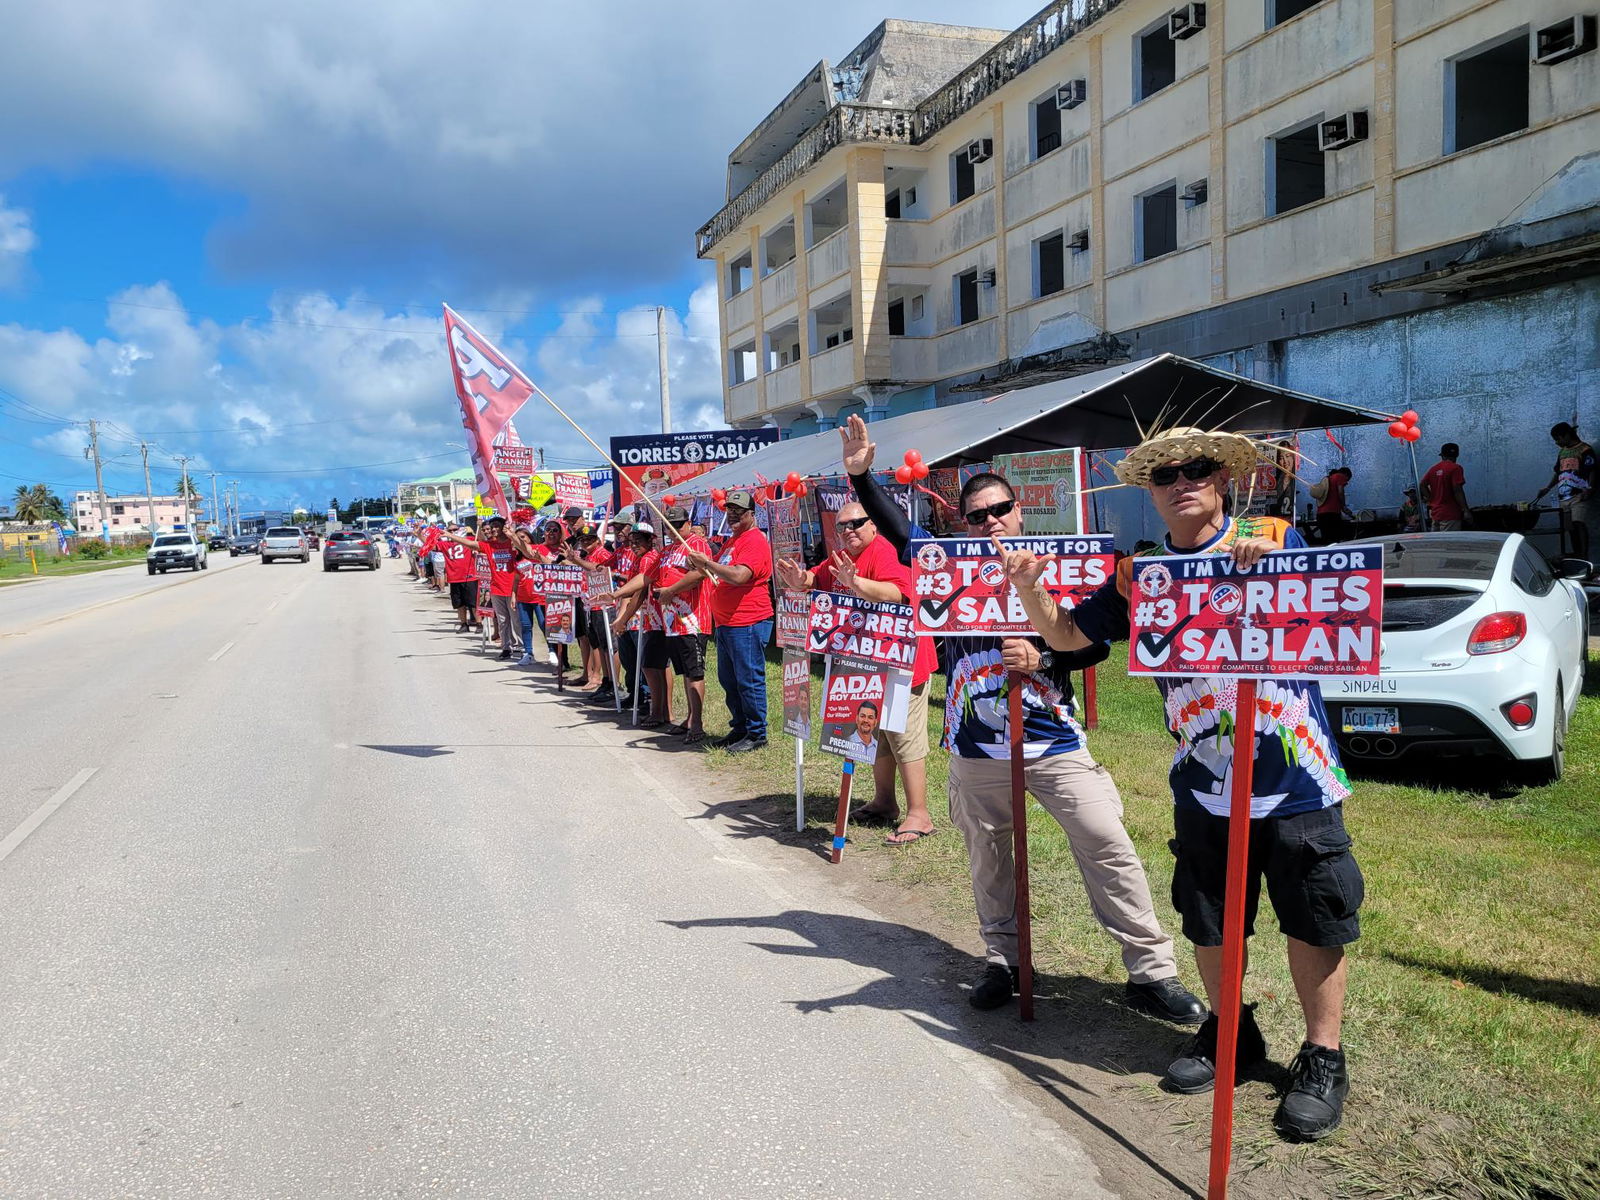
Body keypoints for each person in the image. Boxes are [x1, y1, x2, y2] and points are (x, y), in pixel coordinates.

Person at [1003, 423, 1365, 1142]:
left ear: (1222, 477)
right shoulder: (1140, 574)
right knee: (1208, 918)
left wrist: (1272, 566)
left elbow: (1328, 613)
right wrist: (1030, 591)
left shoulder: (1272, 537)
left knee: (1314, 913)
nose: (1182, 481)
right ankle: (1232, 1033)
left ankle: (1323, 1056)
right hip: (1203, 781)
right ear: (1150, 491)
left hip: (1298, 778)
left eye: (1197, 467)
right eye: (1165, 475)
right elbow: (1071, 640)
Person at [837, 414, 1203, 1025]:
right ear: (962, 522)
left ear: (1019, 508)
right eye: (976, 514)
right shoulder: (942, 565)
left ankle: (1151, 970)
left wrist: (1046, 652)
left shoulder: (1059, 563)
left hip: (1052, 738)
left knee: (1107, 842)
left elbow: (1095, 644)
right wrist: (861, 477)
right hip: (976, 744)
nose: (990, 522)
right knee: (989, 856)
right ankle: (1002, 961)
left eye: (999, 509)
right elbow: (901, 534)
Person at [775, 497, 940, 846]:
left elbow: (899, 592)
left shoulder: (884, 550)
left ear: (874, 524)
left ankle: (920, 814)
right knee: (876, 731)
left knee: (903, 735)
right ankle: (884, 802)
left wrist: (858, 585)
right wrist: (799, 578)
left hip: (902, 659)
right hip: (865, 660)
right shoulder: (842, 557)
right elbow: (816, 578)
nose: (849, 531)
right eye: (842, 526)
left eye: (857, 523)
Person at [685, 490, 773, 753]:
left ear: (751, 514)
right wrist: (701, 566)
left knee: (748, 678)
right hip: (727, 622)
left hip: (747, 620)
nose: (732, 514)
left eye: (739, 510)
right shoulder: (733, 540)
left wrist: (709, 563)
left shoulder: (754, 541)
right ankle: (741, 727)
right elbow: (720, 573)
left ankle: (757, 733)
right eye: (729, 509)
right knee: (729, 679)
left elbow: (738, 576)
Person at [654, 506, 713, 745]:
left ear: (688, 523)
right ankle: (689, 718)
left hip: (693, 620)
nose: (673, 530)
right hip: (672, 622)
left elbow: (700, 573)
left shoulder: (696, 544)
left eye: (678, 525)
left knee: (694, 672)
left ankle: (697, 724)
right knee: (685, 673)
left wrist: (670, 590)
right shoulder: (668, 549)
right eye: (669, 526)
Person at [609, 523, 677, 729]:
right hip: (653, 618)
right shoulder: (641, 559)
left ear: (650, 541)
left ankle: (659, 711)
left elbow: (639, 592)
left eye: (639, 541)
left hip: (656, 618)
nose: (634, 545)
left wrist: (623, 617)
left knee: (651, 665)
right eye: (632, 542)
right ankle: (664, 711)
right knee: (657, 665)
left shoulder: (648, 559)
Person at [439, 515, 520, 660]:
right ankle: (506, 648)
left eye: (496, 526)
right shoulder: (488, 545)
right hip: (496, 589)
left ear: (503, 527)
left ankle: (520, 647)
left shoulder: (512, 543)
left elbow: (524, 547)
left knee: (516, 620)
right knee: (502, 621)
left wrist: (513, 535)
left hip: (512, 589)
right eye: (492, 526)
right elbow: (470, 544)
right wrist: (450, 535)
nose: (494, 529)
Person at [1535, 422, 1597, 559]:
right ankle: (1577, 555)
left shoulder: (1585, 450)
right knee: (1570, 528)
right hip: (1564, 497)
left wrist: (1590, 488)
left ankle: (1584, 556)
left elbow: (1592, 470)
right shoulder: (1562, 452)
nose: (1557, 442)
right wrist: (1547, 488)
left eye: (1558, 439)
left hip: (1579, 496)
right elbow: (1558, 472)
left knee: (1578, 523)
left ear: (1567, 435)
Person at [439, 523, 481, 632]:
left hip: (470, 576)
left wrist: (479, 527)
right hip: (454, 578)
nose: (452, 532)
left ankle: (479, 623)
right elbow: (431, 545)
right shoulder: (445, 544)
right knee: (459, 604)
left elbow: (481, 539)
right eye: (450, 531)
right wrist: (419, 534)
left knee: (473, 603)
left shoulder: (469, 540)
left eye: (455, 530)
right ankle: (463, 624)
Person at [1420, 444, 1470, 531]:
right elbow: (1457, 490)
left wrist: (1431, 499)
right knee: (1449, 543)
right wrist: (1466, 510)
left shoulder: (1433, 469)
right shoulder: (1456, 468)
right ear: (1456, 455)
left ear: (1442, 456)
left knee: (1436, 543)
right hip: (1451, 515)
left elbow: (1422, 485)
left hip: (1436, 514)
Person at [1312, 467, 1354, 543]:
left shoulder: (1328, 479)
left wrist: (1343, 509)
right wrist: (1344, 506)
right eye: (1347, 480)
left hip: (1321, 515)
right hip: (1332, 515)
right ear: (1345, 474)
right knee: (1336, 540)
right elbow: (1340, 492)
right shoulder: (1340, 476)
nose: (1345, 483)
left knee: (1327, 541)